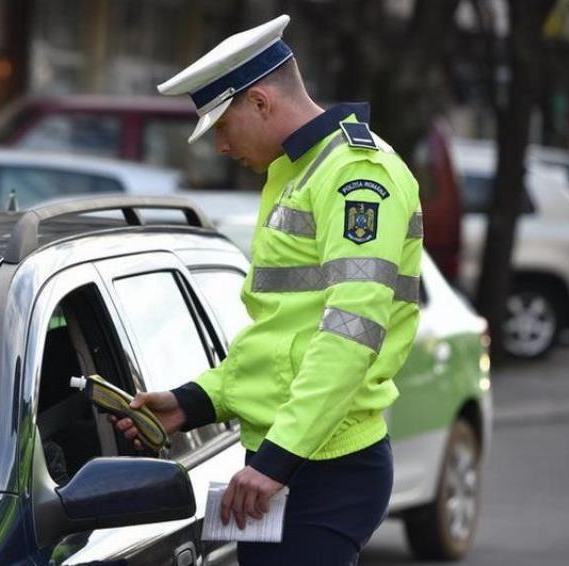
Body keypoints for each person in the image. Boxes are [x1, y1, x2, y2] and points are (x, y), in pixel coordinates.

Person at [112, 14, 423, 566]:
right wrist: (193, 402)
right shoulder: (298, 172)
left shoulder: (356, 176)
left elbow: (351, 335)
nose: (221, 147)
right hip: (292, 456)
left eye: (222, 127)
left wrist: (277, 462)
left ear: (259, 102)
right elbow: (280, 335)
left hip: (320, 464)